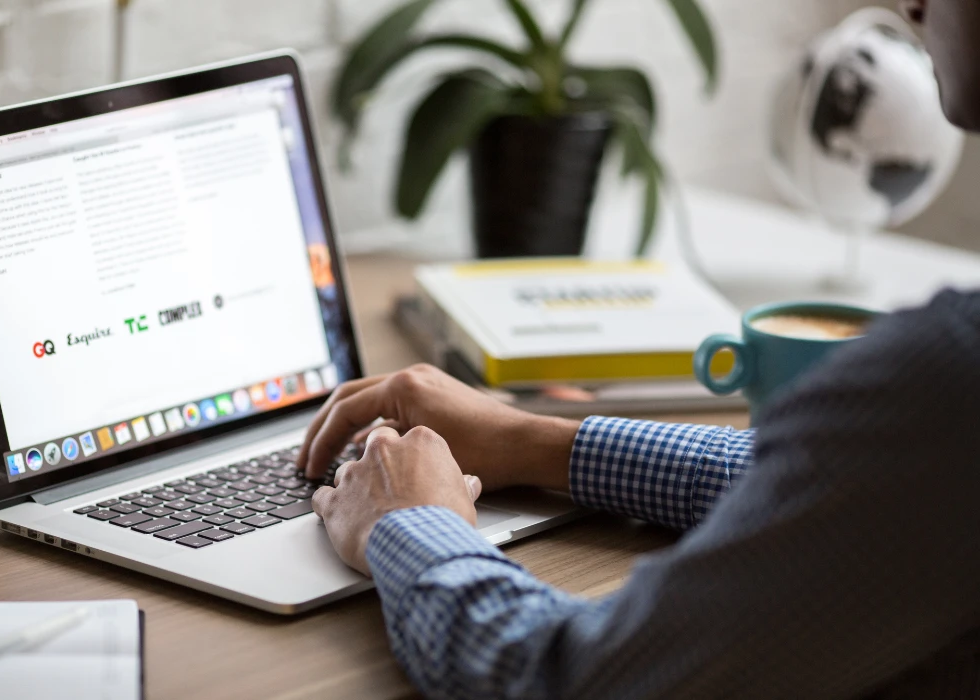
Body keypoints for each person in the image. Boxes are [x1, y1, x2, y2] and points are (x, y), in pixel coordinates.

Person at [298, 1, 980, 697]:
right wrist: (538, 443)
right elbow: (857, 482)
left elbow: (571, 680)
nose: (914, 6)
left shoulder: (949, 374)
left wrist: (410, 524)